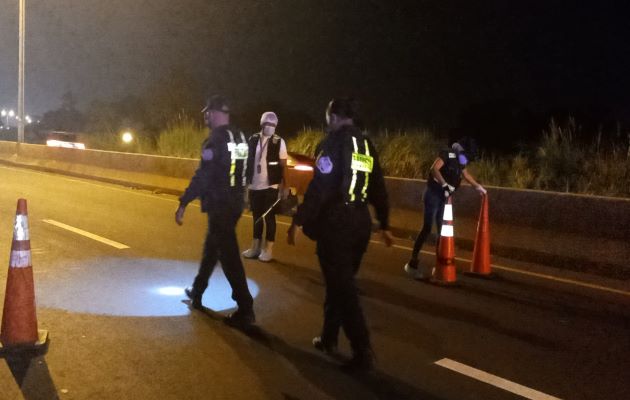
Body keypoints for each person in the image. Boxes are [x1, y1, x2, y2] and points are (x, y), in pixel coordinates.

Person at [287, 98, 393, 372]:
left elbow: (320, 189)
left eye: (327, 116)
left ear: (334, 117)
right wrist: (384, 223)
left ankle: (362, 350)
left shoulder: (331, 144)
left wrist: (299, 220)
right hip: (360, 224)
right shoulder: (367, 146)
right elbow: (378, 186)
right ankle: (329, 337)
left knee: (343, 290)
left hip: (337, 225)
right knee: (339, 283)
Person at [175, 95, 255, 326]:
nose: (205, 117)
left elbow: (204, 176)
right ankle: (198, 290)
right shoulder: (240, 137)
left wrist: (184, 201)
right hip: (236, 203)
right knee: (212, 247)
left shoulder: (214, 141)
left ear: (216, 113)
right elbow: (246, 170)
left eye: (207, 113)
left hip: (220, 204)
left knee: (229, 256)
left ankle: (246, 308)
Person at [404, 137, 487, 280]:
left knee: (442, 232)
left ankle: (441, 264)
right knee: (427, 228)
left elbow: (465, 175)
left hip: (444, 198)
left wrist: (478, 187)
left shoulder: (461, 161)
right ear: (461, 150)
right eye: (466, 155)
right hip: (433, 195)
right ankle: (412, 263)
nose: (466, 159)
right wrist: (444, 184)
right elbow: (434, 169)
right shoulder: (448, 154)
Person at [241, 111, 288, 262]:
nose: (270, 127)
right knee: (256, 216)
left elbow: (284, 166)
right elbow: (247, 160)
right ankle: (255, 247)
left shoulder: (279, 141)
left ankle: (268, 250)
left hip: (271, 185)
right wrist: (245, 183)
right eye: (267, 124)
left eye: (273, 124)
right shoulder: (253, 139)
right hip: (255, 185)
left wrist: (285, 186)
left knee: (269, 217)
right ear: (261, 123)